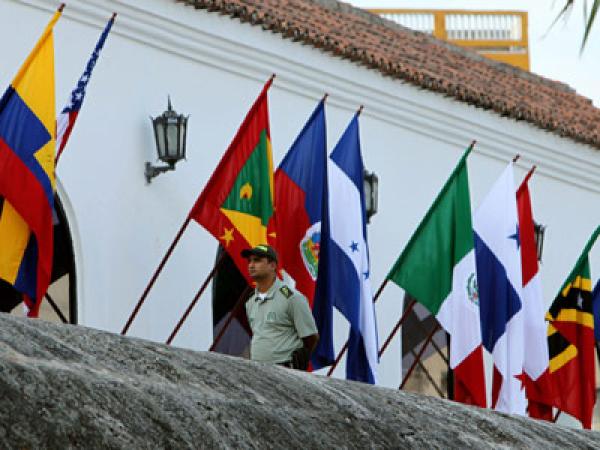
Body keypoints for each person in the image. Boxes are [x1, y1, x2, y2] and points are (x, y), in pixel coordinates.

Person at [242, 244, 319, 370]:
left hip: (285, 370)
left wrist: (301, 358)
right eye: (249, 261)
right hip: (257, 370)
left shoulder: (291, 297)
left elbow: (311, 337)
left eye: (257, 260)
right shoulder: (251, 302)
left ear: (272, 265)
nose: (251, 265)